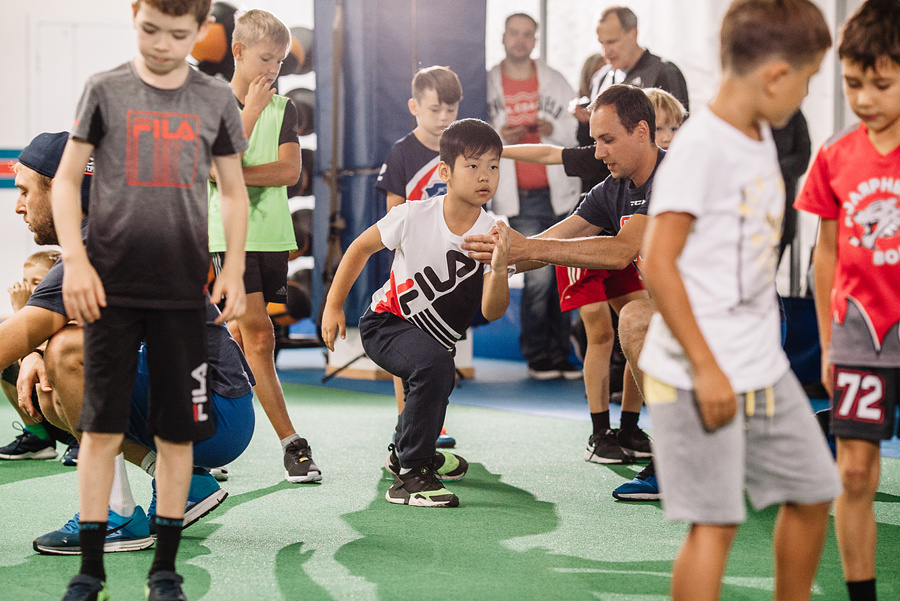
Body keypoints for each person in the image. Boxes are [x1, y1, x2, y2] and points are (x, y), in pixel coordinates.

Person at [637, 1, 840, 599]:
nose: (804, 96)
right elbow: (660, 265)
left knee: (812, 491)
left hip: (758, 364)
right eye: (806, 82)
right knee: (717, 522)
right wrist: (706, 367)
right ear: (776, 76)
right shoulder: (702, 148)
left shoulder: (761, 134)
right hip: (695, 371)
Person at [50, 0, 250, 598]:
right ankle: (91, 572)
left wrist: (235, 267)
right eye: (150, 29)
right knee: (100, 429)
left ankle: (164, 570)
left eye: (179, 34)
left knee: (175, 433)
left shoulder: (213, 99)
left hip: (181, 294)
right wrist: (77, 260)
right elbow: (64, 180)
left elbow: (234, 192)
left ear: (203, 31)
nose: (163, 44)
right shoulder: (105, 90)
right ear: (133, 15)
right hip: (112, 289)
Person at [4, 131, 253, 558]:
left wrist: (37, 349)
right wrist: (34, 353)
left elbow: (24, 332)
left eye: (25, 190)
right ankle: (186, 484)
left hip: (213, 408)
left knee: (67, 352)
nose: (18, 205)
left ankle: (112, 516)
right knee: (53, 391)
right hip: (212, 409)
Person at [486, 87, 685, 473]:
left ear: (642, 131)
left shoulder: (675, 176)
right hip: (682, 318)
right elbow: (558, 237)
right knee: (632, 321)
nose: (597, 153)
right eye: (595, 141)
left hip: (729, 318)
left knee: (632, 319)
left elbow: (618, 252)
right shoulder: (612, 189)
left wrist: (525, 249)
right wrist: (496, 261)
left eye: (607, 140)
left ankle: (676, 447)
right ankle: (667, 446)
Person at [322, 119, 511, 507]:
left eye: (493, 166)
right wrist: (333, 305)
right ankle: (410, 475)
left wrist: (501, 266)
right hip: (385, 324)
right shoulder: (413, 214)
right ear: (445, 171)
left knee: (438, 373)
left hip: (433, 339)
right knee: (436, 368)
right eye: (473, 166)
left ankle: (408, 453)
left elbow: (492, 311)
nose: (484, 176)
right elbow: (359, 248)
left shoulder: (496, 233)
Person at [793, 2, 900, 599]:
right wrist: (831, 346)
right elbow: (825, 257)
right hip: (860, 333)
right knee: (855, 470)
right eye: (853, 83)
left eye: (880, 84)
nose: (864, 97)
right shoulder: (836, 156)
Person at [207, 8, 320, 485]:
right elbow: (209, 169)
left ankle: (204, 441)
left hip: (273, 237)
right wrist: (248, 116)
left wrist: (231, 174)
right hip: (223, 238)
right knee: (258, 335)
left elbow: (289, 173)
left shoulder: (286, 108)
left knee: (240, 337)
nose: (273, 71)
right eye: (265, 59)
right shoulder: (208, 103)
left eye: (279, 62)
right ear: (238, 52)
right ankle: (291, 442)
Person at [487, 12, 582, 380]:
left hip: (556, 189)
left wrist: (552, 126)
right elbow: (475, 132)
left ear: (536, 39)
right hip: (520, 194)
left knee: (563, 270)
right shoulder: (489, 83)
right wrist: (500, 134)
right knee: (538, 275)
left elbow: (577, 128)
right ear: (504, 37)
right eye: (515, 33)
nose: (521, 40)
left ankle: (561, 353)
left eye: (528, 34)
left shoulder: (554, 80)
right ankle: (538, 353)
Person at [375, 65, 463, 449]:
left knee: (443, 346)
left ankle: (433, 423)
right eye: (435, 110)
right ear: (414, 106)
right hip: (412, 270)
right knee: (411, 346)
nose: (443, 118)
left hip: (455, 268)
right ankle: (406, 422)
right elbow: (394, 216)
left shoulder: (462, 150)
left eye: (451, 109)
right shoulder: (402, 153)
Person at [0, 249, 75, 464]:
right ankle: (38, 438)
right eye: (25, 281)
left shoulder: (68, 314)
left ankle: (80, 440)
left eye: (37, 282)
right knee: (10, 364)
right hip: (46, 410)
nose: (29, 288)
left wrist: (21, 309)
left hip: (73, 411)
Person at [588, 6, 690, 112]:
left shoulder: (665, 73)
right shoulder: (600, 78)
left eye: (611, 42)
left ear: (633, 33)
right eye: (601, 43)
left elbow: (679, 125)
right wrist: (583, 123)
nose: (606, 51)